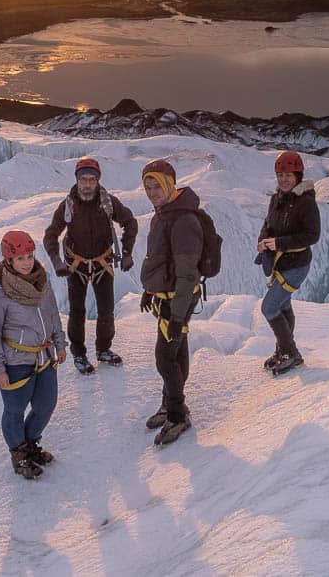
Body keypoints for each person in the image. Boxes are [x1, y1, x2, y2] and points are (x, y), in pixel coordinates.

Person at [0, 230, 67, 479]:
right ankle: (19, 453)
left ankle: (29, 444)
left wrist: (60, 344)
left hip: (44, 356)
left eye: (29, 256)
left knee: (45, 404)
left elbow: (52, 316)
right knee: (15, 409)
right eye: (21, 258)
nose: (28, 262)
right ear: (9, 260)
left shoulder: (42, 283)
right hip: (16, 361)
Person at [44, 157, 138, 374]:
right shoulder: (68, 205)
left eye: (92, 180)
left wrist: (126, 252)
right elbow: (50, 235)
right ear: (77, 180)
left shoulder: (108, 203)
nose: (87, 184)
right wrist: (57, 262)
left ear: (97, 181)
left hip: (101, 263)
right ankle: (79, 354)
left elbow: (129, 222)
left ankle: (103, 349)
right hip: (75, 265)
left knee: (106, 311)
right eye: (83, 179)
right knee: (77, 311)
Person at [137, 159, 204, 445]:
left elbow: (188, 274)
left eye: (157, 185)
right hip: (168, 297)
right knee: (176, 352)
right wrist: (151, 289)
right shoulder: (164, 213)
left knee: (165, 358)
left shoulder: (183, 220)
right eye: (148, 186)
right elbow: (162, 260)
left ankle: (177, 414)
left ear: (170, 184)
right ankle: (170, 405)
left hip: (179, 299)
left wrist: (177, 318)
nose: (152, 192)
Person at [256, 151, 320, 375]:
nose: (284, 179)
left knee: (269, 307)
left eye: (288, 175)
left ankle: (291, 353)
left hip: (296, 266)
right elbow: (268, 224)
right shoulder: (277, 199)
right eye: (280, 175)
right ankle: (283, 352)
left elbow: (312, 235)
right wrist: (263, 241)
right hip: (281, 264)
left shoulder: (306, 203)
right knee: (282, 306)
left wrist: (279, 243)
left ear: (298, 176)